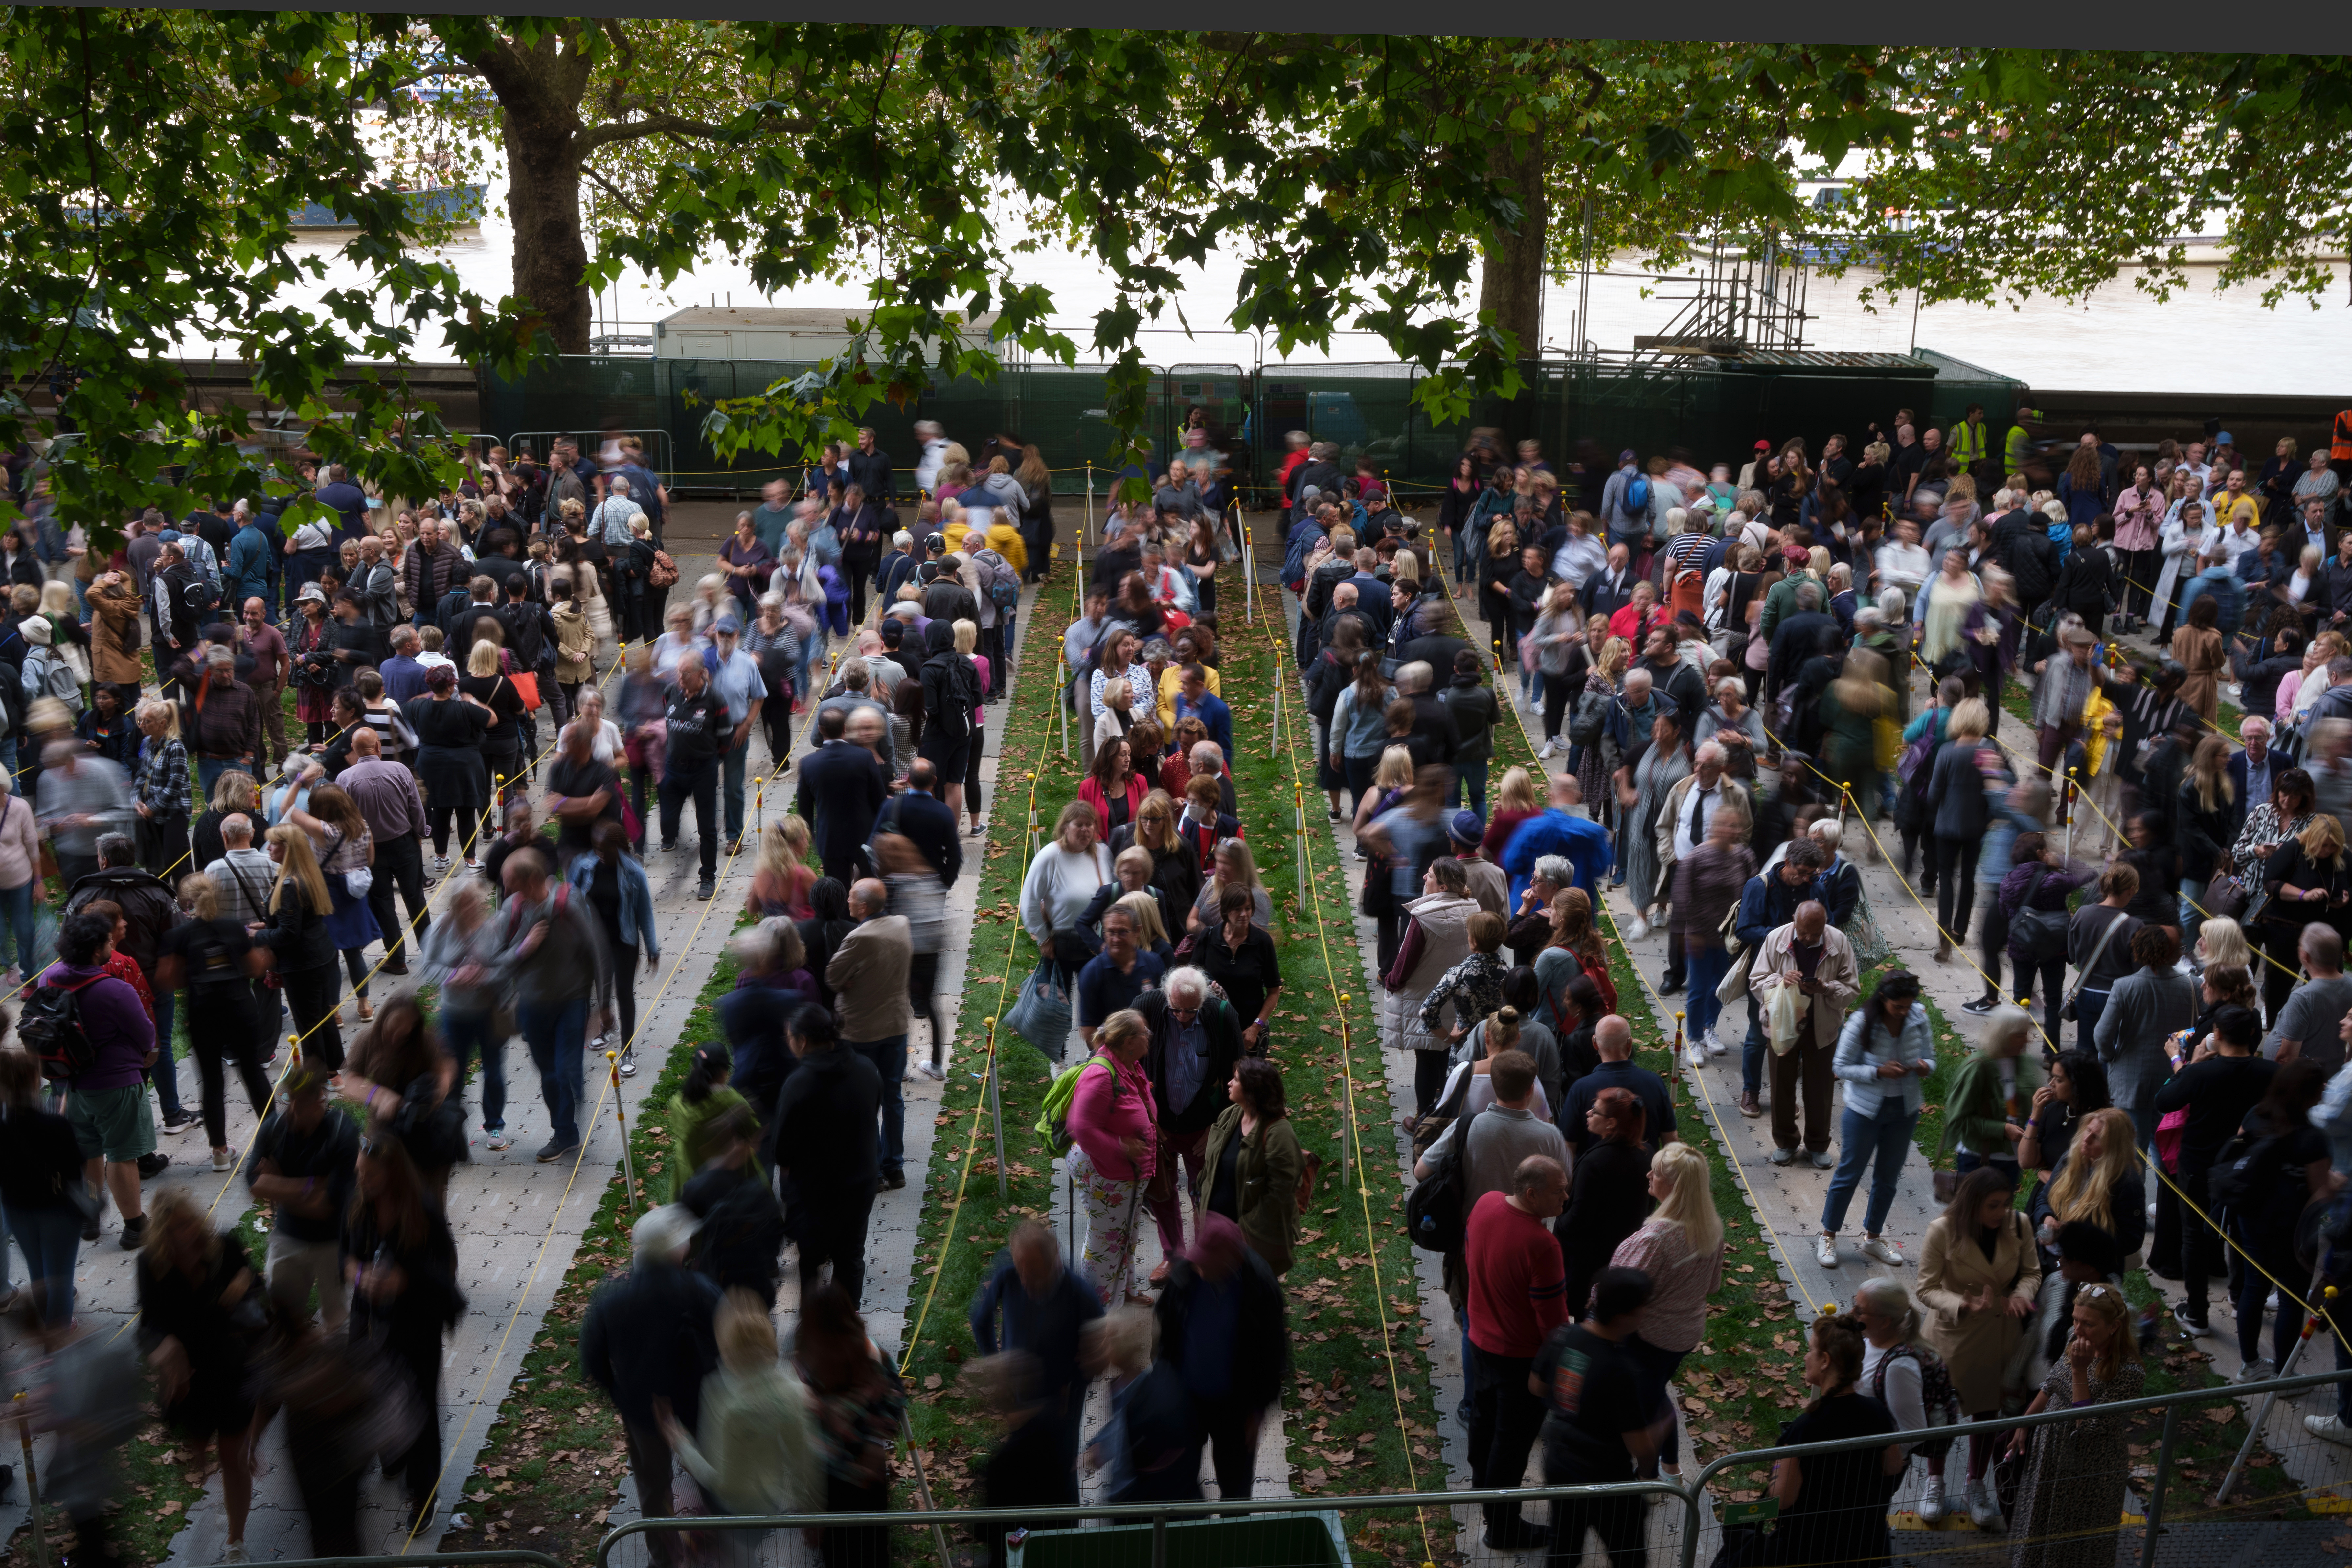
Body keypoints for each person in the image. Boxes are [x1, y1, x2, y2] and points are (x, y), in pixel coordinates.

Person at [580, 1205, 724, 1568]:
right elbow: (726, 1345)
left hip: (643, 1413)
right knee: (712, 1474)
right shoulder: (701, 1291)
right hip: (700, 1408)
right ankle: (720, 1537)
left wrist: (621, 1396)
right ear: (678, 1250)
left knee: (653, 1487)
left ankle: (663, 1558)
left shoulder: (612, 1301)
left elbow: (593, 1360)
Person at [343, 1133, 465, 1523]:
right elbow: (344, 1257)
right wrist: (362, 1277)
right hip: (370, 1317)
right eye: (361, 1173)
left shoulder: (422, 1210)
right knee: (370, 1389)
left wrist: (406, 1281)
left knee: (419, 1403)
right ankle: (391, 1455)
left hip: (416, 1320)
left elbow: (447, 1265)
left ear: (394, 1175)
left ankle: (423, 1492)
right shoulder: (359, 1205)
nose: (363, 1181)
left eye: (371, 1176)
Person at [1919, 1165, 2041, 1530]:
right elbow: (1925, 1288)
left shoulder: (2018, 1225)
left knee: (1987, 1412)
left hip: (1999, 1336)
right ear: (1972, 1204)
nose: (2001, 1212)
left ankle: (1975, 1484)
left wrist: (2020, 1296)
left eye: (2005, 1203)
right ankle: (1934, 1481)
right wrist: (1961, 1304)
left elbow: (2032, 1272)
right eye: (1992, 1205)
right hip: (1953, 1336)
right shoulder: (1941, 1231)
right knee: (1941, 1411)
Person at [1599, 1141, 1724, 1489]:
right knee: (1654, 1396)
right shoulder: (1711, 1227)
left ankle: (1648, 1479)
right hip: (1684, 1334)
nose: (1648, 1175)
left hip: (1647, 1338)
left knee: (1643, 1407)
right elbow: (1712, 1286)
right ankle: (1670, 1468)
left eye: (1656, 1172)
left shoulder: (1654, 1239)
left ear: (1674, 1186)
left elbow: (1618, 1293)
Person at [1461, 1152, 1570, 1548]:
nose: (1566, 1198)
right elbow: (1553, 1323)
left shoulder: (1485, 1203)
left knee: (1482, 1422)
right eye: (1559, 1192)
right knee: (1511, 1444)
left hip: (1479, 1343)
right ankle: (1503, 1528)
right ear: (1531, 1193)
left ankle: (1482, 1488)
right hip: (1520, 1361)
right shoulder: (1542, 1245)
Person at [482, 847, 613, 1163]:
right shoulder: (513, 909)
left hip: (572, 1001)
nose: (507, 890)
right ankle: (568, 1109)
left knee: (563, 1071)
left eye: (511, 883)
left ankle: (565, 1132)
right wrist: (523, 950)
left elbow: (599, 951)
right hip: (532, 1005)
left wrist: (604, 1004)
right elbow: (491, 959)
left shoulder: (571, 903)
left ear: (531, 880)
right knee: (549, 1074)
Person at [2153, 1003, 2277, 1336]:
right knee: (2240, 1232)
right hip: (2246, 1167)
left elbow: (2164, 1100)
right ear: (2252, 1034)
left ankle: (2196, 1313)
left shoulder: (2200, 1072)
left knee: (2192, 1236)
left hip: (2198, 1166)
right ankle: (2240, 1298)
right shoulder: (2269, 1073)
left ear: (2216, 1035)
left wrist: (2179, 1062)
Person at [2003, 1283, 2147, 1568]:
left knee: (2074, 1541)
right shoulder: (2076, 1338)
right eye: (2076, 1320)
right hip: (2053, 1449)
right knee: (2041, 1522)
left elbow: (2089, 1423)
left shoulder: (2130, 1372)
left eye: (2089, 1324)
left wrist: (2080, 1370)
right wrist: (2025, 1424)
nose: (2078, 1330)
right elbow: (2052, 1383)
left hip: (2090, 1464)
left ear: (2114, 1327)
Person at [1530, 1266, 1663, 1568]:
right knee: (1629, 1556)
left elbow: (1536, 1385)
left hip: (1561, 1464)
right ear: (1623, 1315)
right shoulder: (1621, 1370)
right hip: (1607, 1481)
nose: (1645, 1312)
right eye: (1643, 1306)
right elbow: (1640, 1447)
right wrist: (1646, 1473)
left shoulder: (1564, 1335)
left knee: (1564, 1547)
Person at [44, 910, 159, 1245]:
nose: (113, 944)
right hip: (116, 1084)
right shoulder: (114, 990)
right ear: (96, 950)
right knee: (122, 1155)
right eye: (109, 940)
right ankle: (135, 1225)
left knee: (89, 1151)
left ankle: (90, 1218)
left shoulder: (48, 979)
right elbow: (145, 1035)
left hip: (71, 1083)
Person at [968, 1219, 1105, 1498]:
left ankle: (1066, 1531)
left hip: (1061, 1406)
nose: (1026, 1283)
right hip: (1019, 1395)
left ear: (1054, 1260)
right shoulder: (1009, 1270)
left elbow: (1101, 1353)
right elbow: (981, 1319)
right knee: (1021, 1463)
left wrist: (1076, 1383)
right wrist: (996, 1369)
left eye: (1035, 1274)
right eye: (1022, 1273)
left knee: (1060, 1470)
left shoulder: (1081, 1297)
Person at [1759, 1313, 1905, 1568]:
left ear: (1825, 1360)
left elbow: (1782, 1499)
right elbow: (1894, 1467)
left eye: (1811, 1351)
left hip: (1811, 1550)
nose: (1805, 1357)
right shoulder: (1877, 1411)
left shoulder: (1804, 1429)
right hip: (1867, 1546)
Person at [763, 1006, 884, 1304]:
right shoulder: (867, 1069)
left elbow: (782, 1150)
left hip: (816, 1194)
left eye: (789, 1037)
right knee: (851, 1258)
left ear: (802, 1041)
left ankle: (814, 1333)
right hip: (860, 1186)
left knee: (811, 1262)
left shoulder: (799, 1084)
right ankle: (849, 1329)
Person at [153, 872, 272, 1172]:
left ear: (186, 901)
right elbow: (256, 969)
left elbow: (166, 980)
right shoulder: (234, 928)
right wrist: (266, 951)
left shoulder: (179, 936)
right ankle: (276, 1141)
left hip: (204, 1014)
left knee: (212, 1080)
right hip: (241, 1010)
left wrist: (193, 972)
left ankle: (220, 1151)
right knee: (254, 1073)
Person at [1819, 971, 1937, 1269]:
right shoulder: (1862, 1022)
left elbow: (1931, 1058)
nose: (1904, 1011)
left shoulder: (1918, 1017)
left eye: (1909, 1005)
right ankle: (1828, 1235)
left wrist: (1925, 1066)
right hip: (1864, 1110)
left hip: (1904, 1109)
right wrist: (1878, 1072)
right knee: (1849, 1172)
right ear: (1884, 999)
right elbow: (1841, 1066)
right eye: (1899, 1006)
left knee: (1888, 1178)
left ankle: (1873, 1237)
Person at [1748, 899, 1859, 1168]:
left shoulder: (1839, 941)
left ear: (1825, 924)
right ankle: (1786, 1142)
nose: (1810, 938)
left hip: (1821, 1026)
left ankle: (1818, 1144)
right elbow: (1756, 981)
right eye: (1804, 933)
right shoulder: (1776, 939)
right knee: (1781, 1085)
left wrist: (1826, 989)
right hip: (1782, 1024)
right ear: (1794, 921)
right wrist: (1780, 980)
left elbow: (1852, 988)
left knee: (1820, 1088)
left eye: (1816, 933)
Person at [1065, 1009, 1158, 1305]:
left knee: (1126, 1234)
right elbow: (1081, 1126)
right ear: (1129, 1041)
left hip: (1124, 1174)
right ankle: (1095, 1311)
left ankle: (1125, 1291)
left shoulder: (1129, 1064)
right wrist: (1123, 1146)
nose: (1150, 1037)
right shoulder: (1101, 1074)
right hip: (1107, 1173)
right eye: (1145, 1033)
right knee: (1105, 1243)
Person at [830, 877, 914, 1189]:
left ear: (863, 906)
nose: (848, 901)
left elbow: (833, 976)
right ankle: (895, 1166)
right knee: (893, 1097)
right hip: (895, 1025)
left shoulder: (858, 937)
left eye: (851, 897)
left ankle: (873, 1170)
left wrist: (851, 980)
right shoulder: (902, 924)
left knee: (864, 1101)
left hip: (862, 1032)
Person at [0, 1045, 87, 1327]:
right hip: (57, 1210)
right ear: (35, 1083)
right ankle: (59, 1335)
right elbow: (77, 1172)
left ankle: (51, 1326)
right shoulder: (56, 1125)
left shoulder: (4, 1129)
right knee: (60, 1276)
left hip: (17, 1210)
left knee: (38, 1273)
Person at [659, 649, 735, 901]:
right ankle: (670, 834)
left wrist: (711, 759)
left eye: (686, 674)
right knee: (667, 818)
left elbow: (726, 739)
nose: (680, 678)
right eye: (678, 672)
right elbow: (667, 719)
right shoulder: (671, 692)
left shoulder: (715, 700)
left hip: (703, 770)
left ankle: (708, 878)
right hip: (673, 767)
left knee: (707, 827)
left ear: (702, 674)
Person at [1940, 1003, 2043, 1186]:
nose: (2027, 1041)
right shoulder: (1978, 1067)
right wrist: (2002, 1129)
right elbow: (1959, 1121)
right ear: (2003, 1036)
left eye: (2027, 1034)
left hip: (2012, 1160)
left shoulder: (2025, 1064)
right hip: (1979, 1160)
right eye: (2020, 1036)